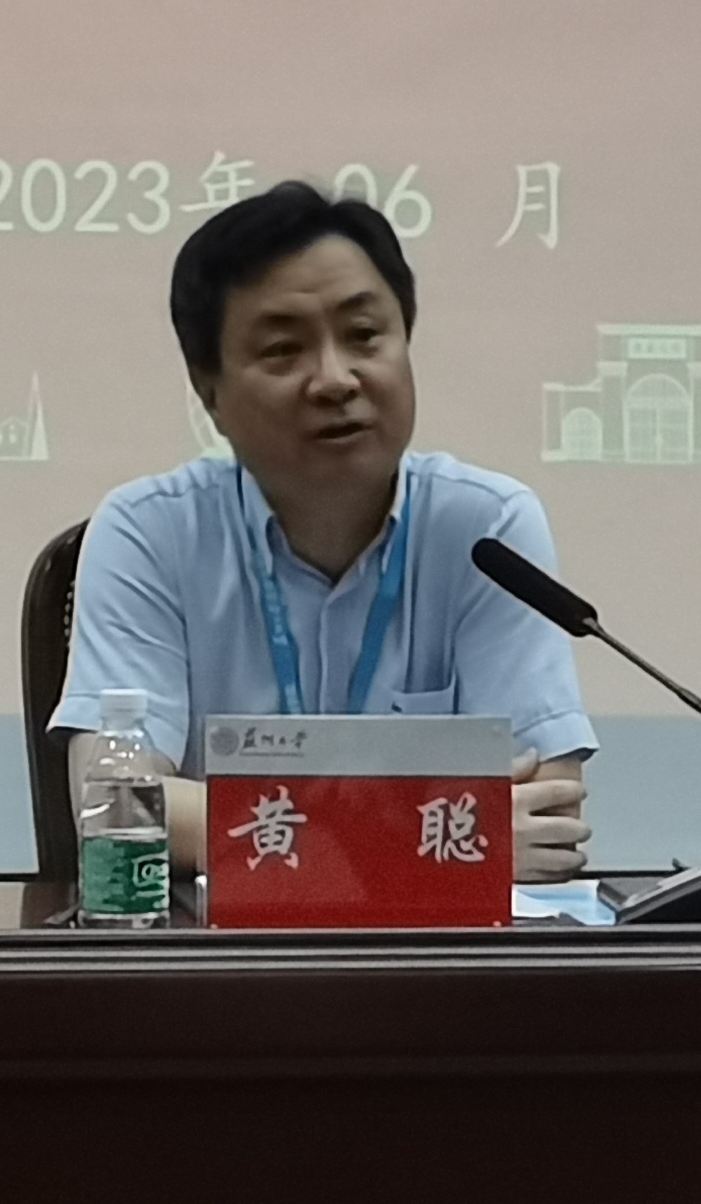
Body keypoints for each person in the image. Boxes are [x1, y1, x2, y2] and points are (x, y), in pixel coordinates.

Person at [51, 180, 595, 881]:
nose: (336, 379)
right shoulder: (149, 533)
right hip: (216, 947)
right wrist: (414, 839)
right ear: (209, 393)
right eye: (284, 349)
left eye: (364, 336)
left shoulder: (486, 529)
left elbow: (545, 814)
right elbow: (117, 801)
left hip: (438, 947)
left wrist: (269, 833)